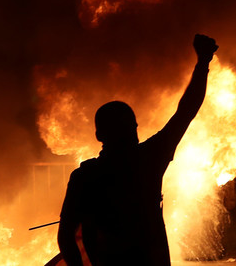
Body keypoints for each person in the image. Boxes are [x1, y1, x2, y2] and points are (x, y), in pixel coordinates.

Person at [57, 34, 219, 266]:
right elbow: (187, 110)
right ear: (134, 128)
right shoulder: (150, 158)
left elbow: (65, 237)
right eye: (131, 127)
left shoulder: (84, 176)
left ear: (99, 135)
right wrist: (203, 61)